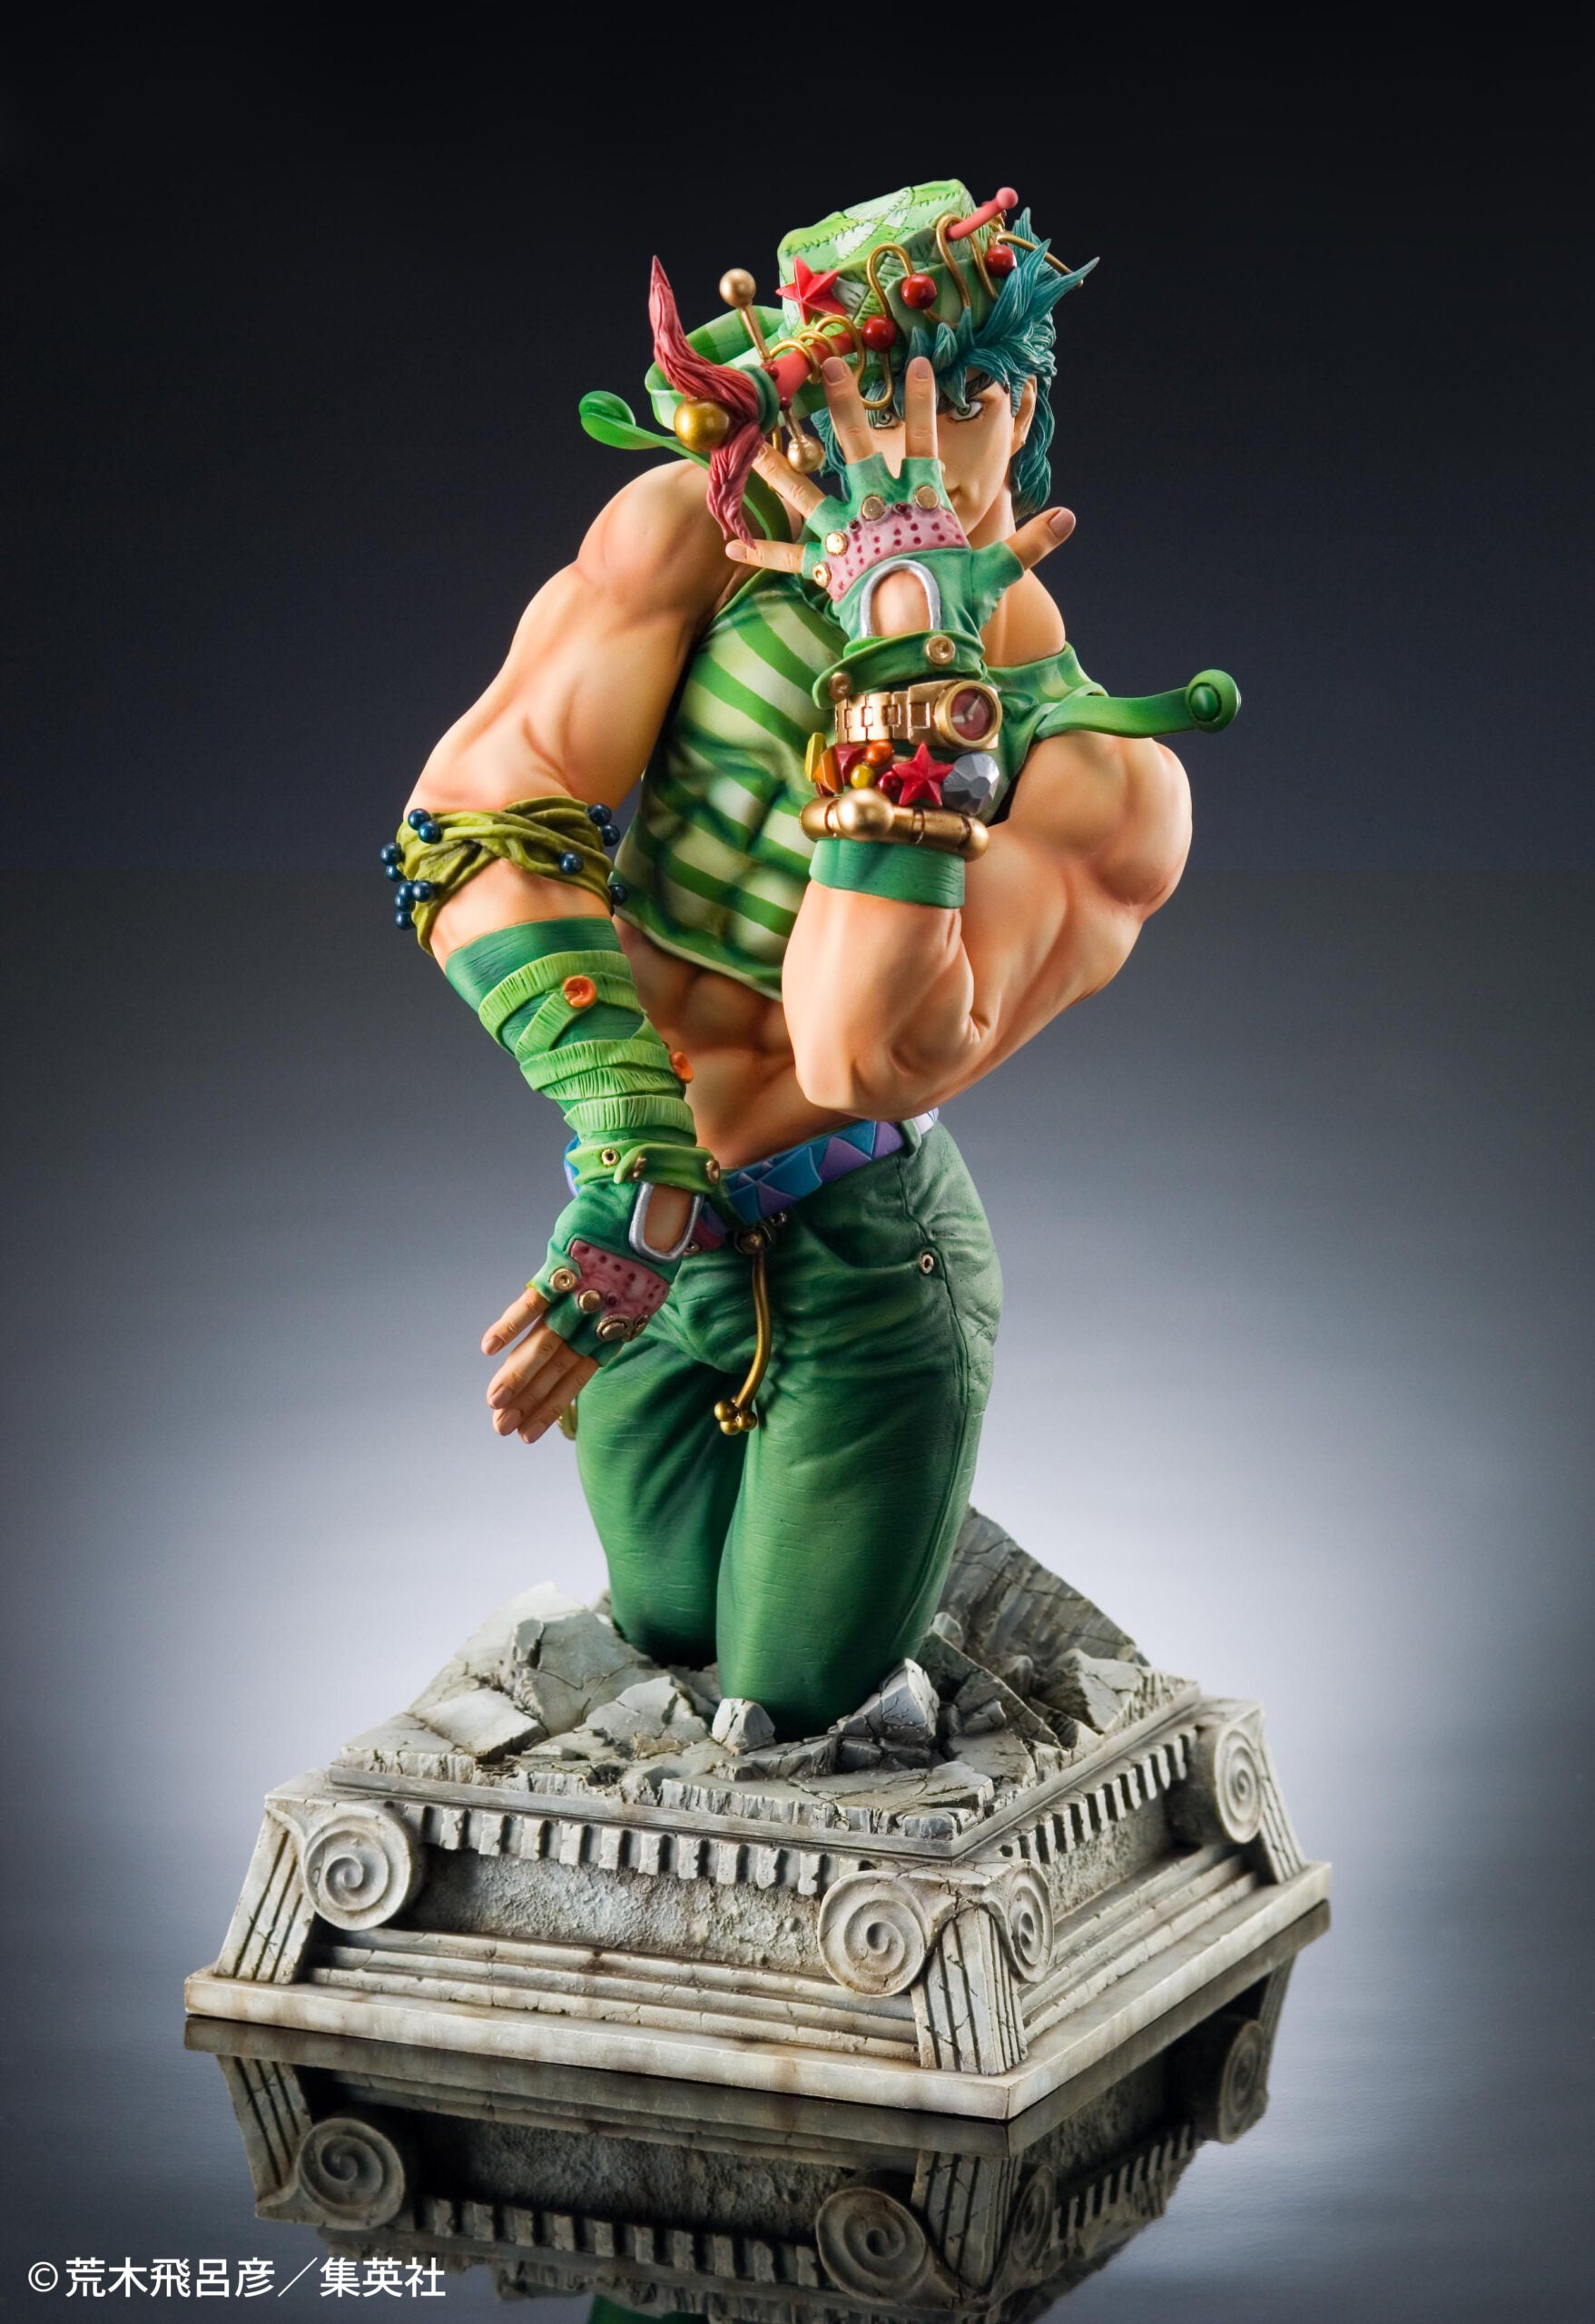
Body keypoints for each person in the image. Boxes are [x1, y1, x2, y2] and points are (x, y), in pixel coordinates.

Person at [387, 182, 1236, 1739]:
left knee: (792, 1711)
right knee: (657, 1636)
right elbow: (471, 822)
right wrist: (631, 1142)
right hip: (643, 1221)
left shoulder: (1104, 780)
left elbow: (860, 1051)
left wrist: (909, 645)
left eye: (940, 397)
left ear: (1018, 408)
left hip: (859, 1260)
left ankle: (899, 1627)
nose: (877, 447)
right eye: (838, 395)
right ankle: (888, 1587)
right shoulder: (688, 545)